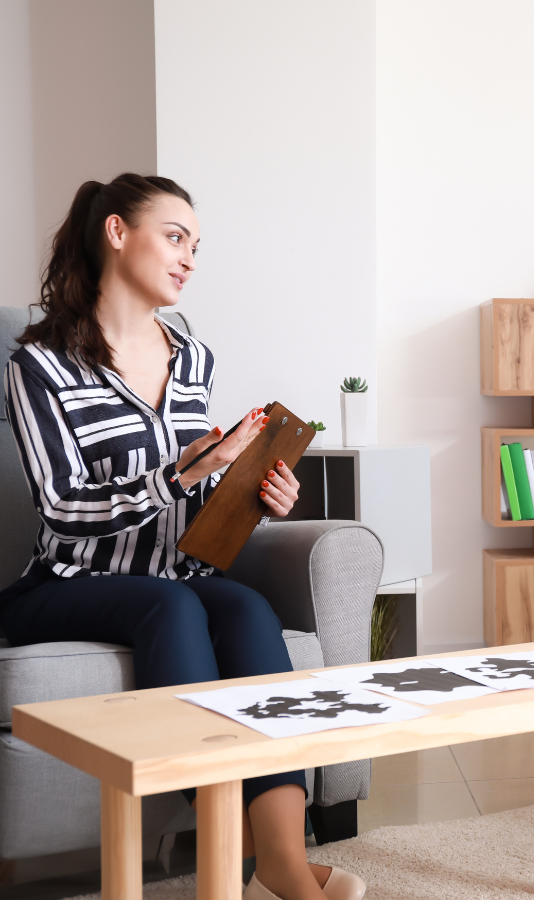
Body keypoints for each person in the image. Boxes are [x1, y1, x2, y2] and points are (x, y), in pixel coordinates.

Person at [0, 174, 365, 900]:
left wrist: (255, 493)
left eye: (196, 246)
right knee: (169, 605)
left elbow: (197, 492)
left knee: (247, 608)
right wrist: (180, 472)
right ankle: (235, 858)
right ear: (116, 232)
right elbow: (63, 508)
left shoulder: (194, 359)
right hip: (69, 585)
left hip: (177, 574)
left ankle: (282, 863)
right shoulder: (39, 364)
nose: (189, 259)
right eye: (175, 238)